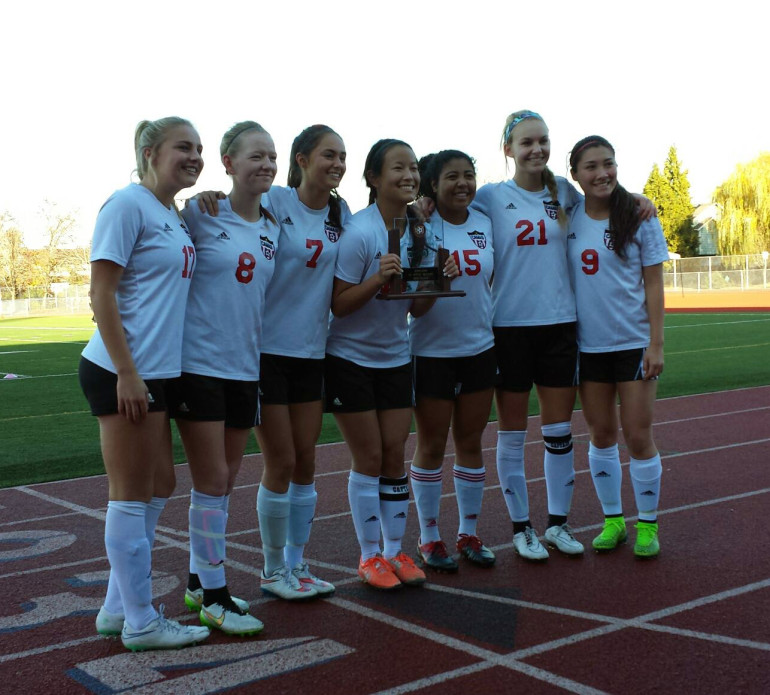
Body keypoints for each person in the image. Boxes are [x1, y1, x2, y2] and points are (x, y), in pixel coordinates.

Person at [79, 116, 211, 651]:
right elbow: (101, 294)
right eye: (184, 147)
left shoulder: (172, 214)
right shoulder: (126, 205)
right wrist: (129, 374)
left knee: (161, 486)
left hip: (156, 371)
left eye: (200, 148)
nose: (195, 156)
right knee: (130, 496)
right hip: (122, 370)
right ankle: (140, 622)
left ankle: (116, 609)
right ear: (151, 152)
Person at [325, 138, 456, 590]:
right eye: (397, 168)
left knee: (395, 458)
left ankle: (394, 550)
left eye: (413, 168)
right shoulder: (360, 233)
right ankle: (367, 557)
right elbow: (339, 305)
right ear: (373, 178)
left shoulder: (422, 230)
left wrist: (437, 284)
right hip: (349, 360)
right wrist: (375, 278)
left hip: (395, 358)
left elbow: (414, 310)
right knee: (369, 457)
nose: (409, 176)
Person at [170, 120, 279, 635]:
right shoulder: (200, 211)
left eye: (272, 156)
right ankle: (214, 594)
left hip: (245, 367)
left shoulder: (274, 225)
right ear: (228, 163)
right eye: (255, 155)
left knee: (226, 479)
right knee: (211, 479)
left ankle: (197, 578)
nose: (266, 164)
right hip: (199, 364)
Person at [472, 110, 587, 561]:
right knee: (514, 434)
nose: (536, 149)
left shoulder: (565, 193)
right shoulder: (490, 198)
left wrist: (637, 200)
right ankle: (522, 528)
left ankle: (558, 524)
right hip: (509, 327)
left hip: (560, 325)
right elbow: (448, 214)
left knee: (559, 432)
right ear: (508, 149)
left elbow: (604, 206)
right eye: (526, 142)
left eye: (542, 140)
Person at [253, 125, 351, 600]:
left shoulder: (341, 211)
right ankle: (273, 571)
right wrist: (207, 198)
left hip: (313, 351)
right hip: (266, 351)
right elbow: (231, 215)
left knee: (307, 460)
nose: (337, 164)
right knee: (282, 459)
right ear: (302, 159)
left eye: (342, 157)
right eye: (328, 155)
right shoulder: (273, 201)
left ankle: (297, 563)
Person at [567, 135, 667, 558]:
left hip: (632, 342)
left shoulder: (638, 214)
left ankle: (647, 525)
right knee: (601, 435)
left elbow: (654, 281)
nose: (601, 173)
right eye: (590, 166)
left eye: (608, 163)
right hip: (587, 347)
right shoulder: (567, 214)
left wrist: (655, 343)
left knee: (638, 435)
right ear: (575, 175)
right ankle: (613, 521)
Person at [409, 150, 497, 572]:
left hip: (480, 348)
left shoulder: (484, 221)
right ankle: (429, 538)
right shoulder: (419, 227)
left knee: (470, 443)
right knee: (431, 445)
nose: (462, 184)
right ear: (432, 185)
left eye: (469, 175)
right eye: (451, 177)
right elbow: (417, 308)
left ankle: (468, 532)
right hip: (431, 353)